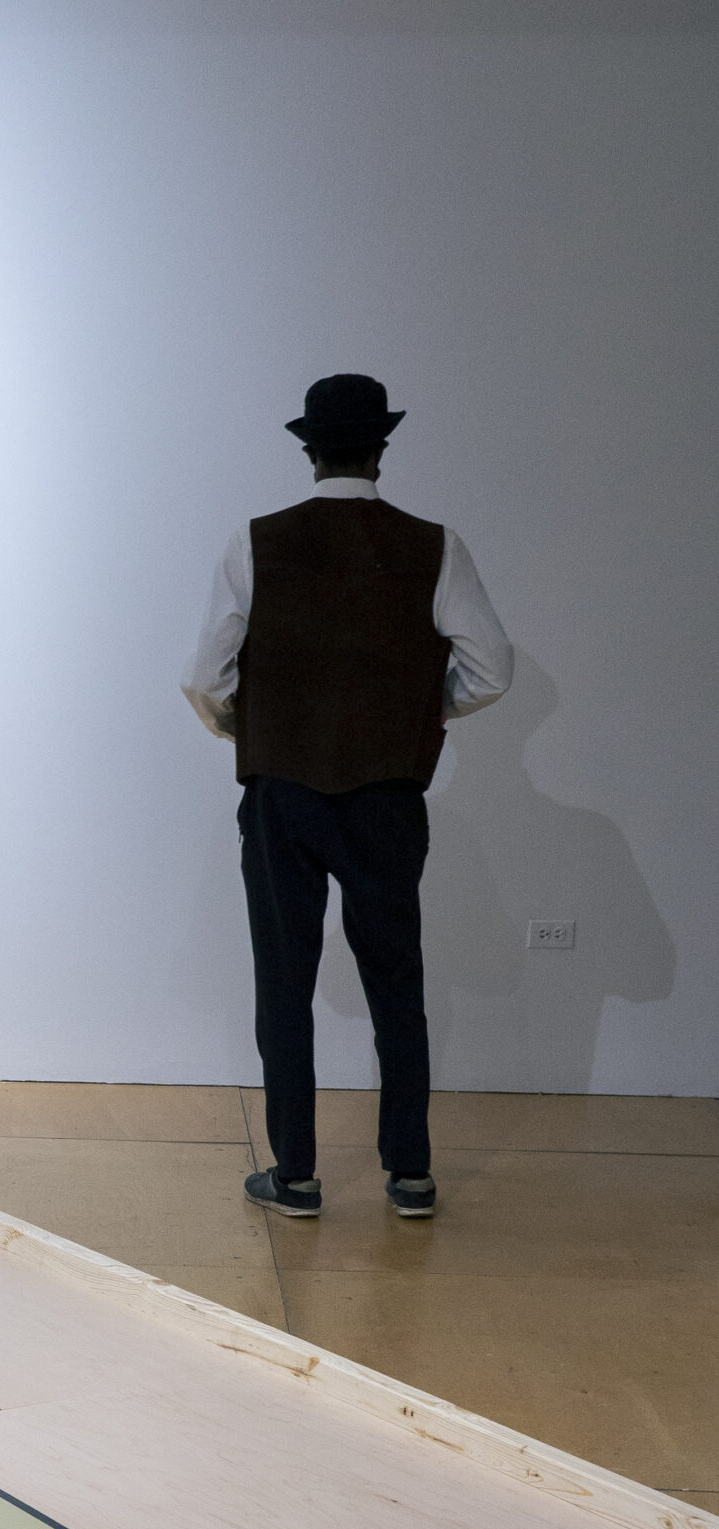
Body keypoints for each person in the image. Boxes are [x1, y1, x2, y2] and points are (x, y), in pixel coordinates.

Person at [182, 374, 514, 1218]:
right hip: (386, 795)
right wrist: (422, 708)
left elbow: (203, 677)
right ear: (381, 449)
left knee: (283, 983)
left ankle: (294, 1174)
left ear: (308, 449)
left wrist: (244, 730)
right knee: (395, 980)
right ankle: (409, 1173)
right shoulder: (433, 545)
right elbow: (491, 669)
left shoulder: (254, 541)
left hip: (282, 789)